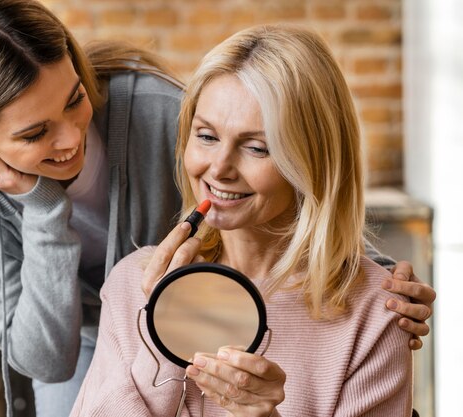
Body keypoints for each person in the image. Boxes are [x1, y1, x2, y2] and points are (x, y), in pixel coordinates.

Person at [0, 1, 433, 415]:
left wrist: (368, 285)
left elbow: (297, 183)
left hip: (200, 296)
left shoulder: (158, 112)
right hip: (121, 320)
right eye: (34, 133)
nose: (72, 139)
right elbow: (46, 359)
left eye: (74, 99)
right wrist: (43, 206)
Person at [71, 25, 420, 416]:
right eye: (206, 136)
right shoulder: (133, 285)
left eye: (256, 147)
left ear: (312, 164)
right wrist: (163, 331)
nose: (218, 168)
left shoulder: (377, 312)